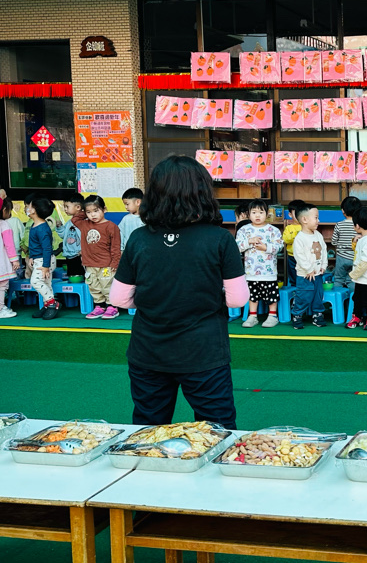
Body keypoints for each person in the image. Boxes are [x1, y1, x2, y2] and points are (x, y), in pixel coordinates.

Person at [110, 155, 248, 428]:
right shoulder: (220, 238)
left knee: (148, 428)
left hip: (148, 350)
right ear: (202, 191)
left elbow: (119, 298)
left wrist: (155, 298)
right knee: (216, 430)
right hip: (203, 351)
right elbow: (237, 299)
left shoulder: (139, 238)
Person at [72, 195, 122, 319]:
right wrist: (84, 210)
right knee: (94, 286)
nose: (92, 215)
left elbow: (116, 247)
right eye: (89, 212)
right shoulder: (84, 224)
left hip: (106, 264)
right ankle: (99, 306)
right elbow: (74, 219)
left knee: (107, 286)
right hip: (89, 264)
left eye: (96, 210)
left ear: (104, 209)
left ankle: (112, 307)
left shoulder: (111, 226)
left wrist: (115, 263)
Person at [236, 199, 284, 328]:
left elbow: (279, 246)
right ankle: (253, 316)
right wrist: (249, 241)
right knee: (252, 295)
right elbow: (237, 247)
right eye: (254, 212)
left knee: (271, 295)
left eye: (261, 212)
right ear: (248, 214)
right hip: (251, 272)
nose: (257, 215)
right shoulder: (244, 230)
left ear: (267, 214)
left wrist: (266, 248)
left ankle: (272, 316)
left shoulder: (273, 230)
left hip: (269, 272)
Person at [291, 204, 327, 330]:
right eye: (316, 218)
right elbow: (299, 256)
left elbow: (323, 250)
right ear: (305, 219)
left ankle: (318, 314)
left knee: (318, 295)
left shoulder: (318, 235)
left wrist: (323, 265)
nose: (318, 220)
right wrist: (309, 269)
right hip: (305, 275)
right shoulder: (299, 238)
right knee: (303, 296)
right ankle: (297, 315)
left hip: (318, 274)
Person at [27, 197, 62, 320]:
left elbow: (47, 248)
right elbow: (34, 244)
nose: (27, 208)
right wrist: (32, 256)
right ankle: (47, 305)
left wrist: (46, 266)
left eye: (29, 206)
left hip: (44, 261)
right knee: (46, 283)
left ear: (34, 210)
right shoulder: (35, 225)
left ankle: (52, 303)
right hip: (40, 259)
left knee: (36, 281)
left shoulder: (42, 228)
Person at [0, 203, 20, 319]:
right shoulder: (4, 224)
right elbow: (9, 245)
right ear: (4, 209)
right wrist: (14, 260)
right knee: (2, 285)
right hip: (1, 262)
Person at [331, 195, 361, 288]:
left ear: (343, 211)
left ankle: (338, 295)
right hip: (355, 257)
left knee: (338, 279)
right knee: (352, 279)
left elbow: (333, 242)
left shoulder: (339, 225)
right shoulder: (360, 226)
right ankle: (352, 296)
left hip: (341, 257)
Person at [59, 192, 85, 278]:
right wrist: (59, 227)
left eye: (67, 207)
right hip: (69, 255)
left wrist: (84, 250)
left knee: (80, 277)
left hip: (79, 255)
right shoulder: (69, 222)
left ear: (78, 207)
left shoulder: (84, 221)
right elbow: (63, 235)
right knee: (72, 277)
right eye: (64, 207)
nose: (65, 209)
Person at [282, 199, 307, 287]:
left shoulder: (306, 226)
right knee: (293, 274)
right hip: (292, 256)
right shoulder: (289, 228)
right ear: (290, 215)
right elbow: (285, 239)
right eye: (296, 213)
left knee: (304, 274)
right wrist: (295, 236)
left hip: (305, 256)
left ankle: (303, 288)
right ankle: (294, 288)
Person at [120, 188, 144, 252]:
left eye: (127, 204)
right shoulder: (126, 219)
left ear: (138, 202)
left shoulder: (147, 218)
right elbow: (120, 235)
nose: (125, 207)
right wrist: (121, 250)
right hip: (128, 252)